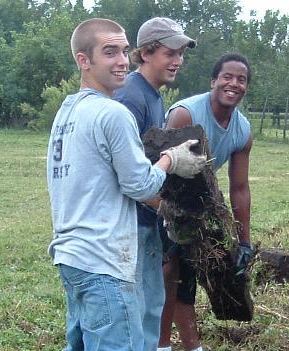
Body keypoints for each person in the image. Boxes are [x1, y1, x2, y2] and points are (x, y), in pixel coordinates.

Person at [46, 18, 206, 351]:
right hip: (104, 259)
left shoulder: (68, 110)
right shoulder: (114, 111)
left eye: (122, 51)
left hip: (71, 255)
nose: (121, 61)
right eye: (109, 52)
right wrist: (171, 160)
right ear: (83, 60)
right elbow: (141, 185)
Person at [159, 53, 254, 351]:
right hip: (162, 198)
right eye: (227, 77)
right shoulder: (185, 115)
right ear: (213, 81)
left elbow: (239, 188)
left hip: (199, 201)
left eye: (241, 79)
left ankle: (191, 346)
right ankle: (161, 345)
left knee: (190, 272)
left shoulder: (243, 130)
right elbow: (163, 174)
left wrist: (244, 242)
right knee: (168, 270)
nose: (234, 84)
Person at [114, 17, 196, 351]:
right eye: (170, 52)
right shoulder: (130, 98)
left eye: (181, 53)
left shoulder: (153, 96)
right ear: (146, 53)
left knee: (150, 306)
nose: (178, 60)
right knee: (132, 313)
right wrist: (165, 207)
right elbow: (122, 174)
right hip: (129, 225)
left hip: (147, 222)